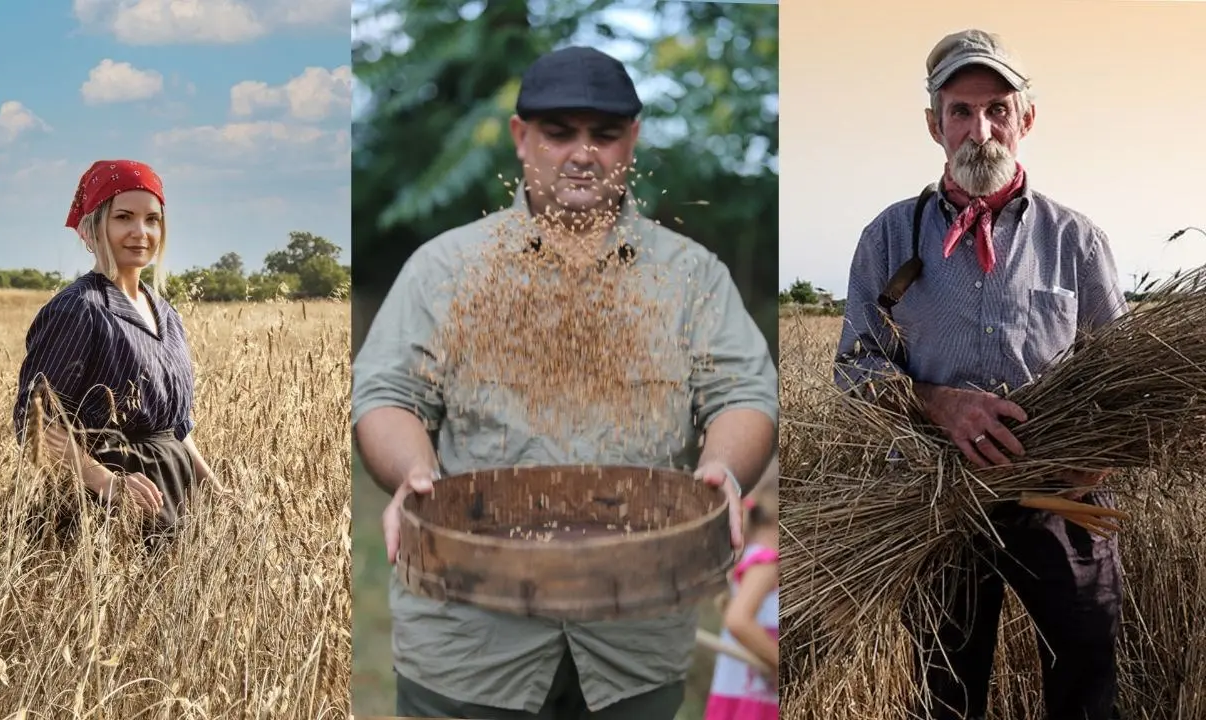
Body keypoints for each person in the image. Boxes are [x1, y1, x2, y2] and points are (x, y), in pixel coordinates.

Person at [353, 46, 778, 719]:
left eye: (604, 135)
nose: (583, 153)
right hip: (471, 636)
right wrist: (413, 473)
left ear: (631, 140)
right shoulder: (448, 269)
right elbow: (388, 397)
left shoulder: (690, 276)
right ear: (522, 137)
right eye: (559, 133)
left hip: (633, 631)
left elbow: (744, 395)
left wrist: (724, 469)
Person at [833, 29, 1127, 720]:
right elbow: (855, 369)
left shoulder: (1076, 240)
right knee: (946, 697)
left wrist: (1097, 457)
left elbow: (1120, 375)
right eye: (960, 111)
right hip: (934, 506)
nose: (980, 129)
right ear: (934, 124)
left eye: (997, 108)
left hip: (1062, 504)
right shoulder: (887, 236)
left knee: (1087, 690)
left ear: (1026, 118)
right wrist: (936, 403)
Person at [14, 159, 219, 549]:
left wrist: (214, 489)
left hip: (174, 490)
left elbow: (175, 427)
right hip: (107, 508)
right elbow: (36, 422)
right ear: (94, 227)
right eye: (124, 217)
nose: (140, 232)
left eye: (152, 219)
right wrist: (107, 484)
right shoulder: (79, 308)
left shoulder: (165, 312)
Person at [704, 455, 779, 720]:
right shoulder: (767, 562)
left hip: (745, 699)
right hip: (752, 704)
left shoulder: (759, 556)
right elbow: (738, 620)